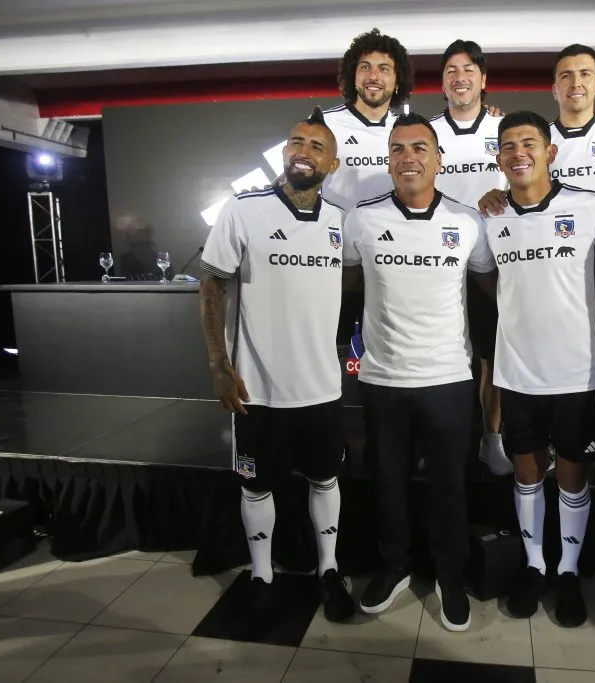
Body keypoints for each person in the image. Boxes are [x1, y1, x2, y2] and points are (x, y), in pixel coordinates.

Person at [197, 111, 355, 629]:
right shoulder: (244, 210)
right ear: (285, 153)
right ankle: (262, 575)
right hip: (256, 387)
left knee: (325, 479)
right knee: (256, 486)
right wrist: (219, 362)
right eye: (295, 142)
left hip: (322, 388)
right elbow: (211, 285)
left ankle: (329, 570)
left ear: (332, 163)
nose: (302, 150)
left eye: (316, 145)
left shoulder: (340, 219)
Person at [342, 113, 497, 633]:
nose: (409, 157)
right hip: (383, 379)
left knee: (449, 485)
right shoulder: (360, 220)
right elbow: (345, 287)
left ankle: (449, 574)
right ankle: (395, 565)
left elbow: (487, 294)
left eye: (420, 148)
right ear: (387, 159)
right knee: (389, 483)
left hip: (449, 379)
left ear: (438, 158)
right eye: (399, 149)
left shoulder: (467, 221)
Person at [483, 110, 595, 626]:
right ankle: (535, 564)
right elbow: (485, 279)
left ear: (550, 152)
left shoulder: (591, 208)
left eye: (529, 143)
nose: (519, 152)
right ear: (498, 157)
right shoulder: (489, 216)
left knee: (571, 476)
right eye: (508, 145)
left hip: (576, 375)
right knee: (525, 470)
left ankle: (567, 569)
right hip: (517, 373)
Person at [479, 44, 595, 491]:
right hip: (546, 272)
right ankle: (528, 446)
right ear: (553, 88)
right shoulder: (536, 136)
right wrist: (491, 196)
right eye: (565, 75)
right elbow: (513, 190)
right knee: (522, 360)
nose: (575, 82)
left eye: (584, 74)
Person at [429, 39, 511, 477]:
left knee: (491, 356)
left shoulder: (503, 129)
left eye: (468, 69)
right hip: (436, 263)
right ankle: (440, 439)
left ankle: (491, 439)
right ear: (442, 82)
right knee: (441, 355)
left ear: (483, 79)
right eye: (450, 70)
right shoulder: (427, 133)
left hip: (491, 263)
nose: (459, 77)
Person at [319, 28, 414, 211]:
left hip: (394, 235)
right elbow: (297, 180)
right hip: (337, 237)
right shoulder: (324, 124)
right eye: (365, 67)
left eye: (384, 69)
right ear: (352, 76)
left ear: (398, 81)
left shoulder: (406, 131)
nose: (373, 76)